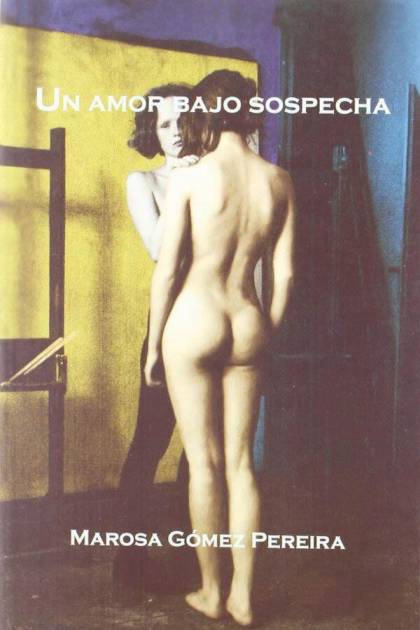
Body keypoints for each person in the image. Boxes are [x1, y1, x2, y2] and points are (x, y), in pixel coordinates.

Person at [144, 70, 295, 626]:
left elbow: (166, 273)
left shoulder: (192, 177)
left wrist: (154, 348)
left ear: (204, 114)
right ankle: (244, 598)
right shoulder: (279, 180)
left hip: (195, 318)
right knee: (241, 465)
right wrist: (266, 332)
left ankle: (212, 592)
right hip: (247, 319)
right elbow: (284, 273)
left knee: (203, 465)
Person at [113, 83, 198, 595]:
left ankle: (191, 560)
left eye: (183, 121)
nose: (175, 133)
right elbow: (157, 249)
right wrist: (184, 183)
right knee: (150, 442)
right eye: (164, 124)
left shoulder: (211, 176)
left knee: (199, 452)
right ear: (152, 131)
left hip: (212, 319)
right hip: (167, 321)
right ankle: (129, 562)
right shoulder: (142, 181)